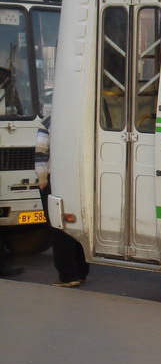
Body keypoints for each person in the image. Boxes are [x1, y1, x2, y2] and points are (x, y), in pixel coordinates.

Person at [35, 115, 90, 287]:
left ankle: (68, 275)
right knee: (78, 224)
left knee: (58, 228)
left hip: (57, 179)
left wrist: (42, 179)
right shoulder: (84, 117)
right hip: (82, 179)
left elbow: (41, 152)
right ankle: (82, 272)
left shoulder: (49, 122)